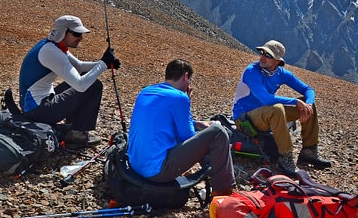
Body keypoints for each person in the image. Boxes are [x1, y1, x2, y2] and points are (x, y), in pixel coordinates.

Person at [128, 59, 236, 198]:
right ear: (185, 77)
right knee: (218, 132)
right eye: (189, 80)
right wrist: (187, 101)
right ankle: (224, 190)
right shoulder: (179, 97)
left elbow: (164, 121)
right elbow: (187, 137)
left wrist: (197, 123)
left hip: (135, 165)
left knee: (205, 134)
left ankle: (213, 170)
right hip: (157, 172)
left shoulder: (147, 91)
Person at [232, 40, 332, 176]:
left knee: (308, 105)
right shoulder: (252, 71)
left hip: (266, 114)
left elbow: (308, 89)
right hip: (245, 119)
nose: (262, 57)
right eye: (262, 52)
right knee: (277, 109)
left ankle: (309, 151)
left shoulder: (282, 74)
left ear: (278, 61)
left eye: (268, 55)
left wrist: (307, 104)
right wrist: (295, 102)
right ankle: (285, 158)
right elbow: (266, 99)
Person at [19, 15, 120, 146]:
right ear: (63, 32)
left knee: (85, 77)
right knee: (93, 86)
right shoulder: (51, 52)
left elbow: (79, 66)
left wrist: (105, 64)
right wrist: (103, 63)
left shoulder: (52, 46)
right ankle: (77, 134)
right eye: (77, 34)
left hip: (37, 105)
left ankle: (72, 126)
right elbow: (81, 86)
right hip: (37, 111)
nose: (81, 38)